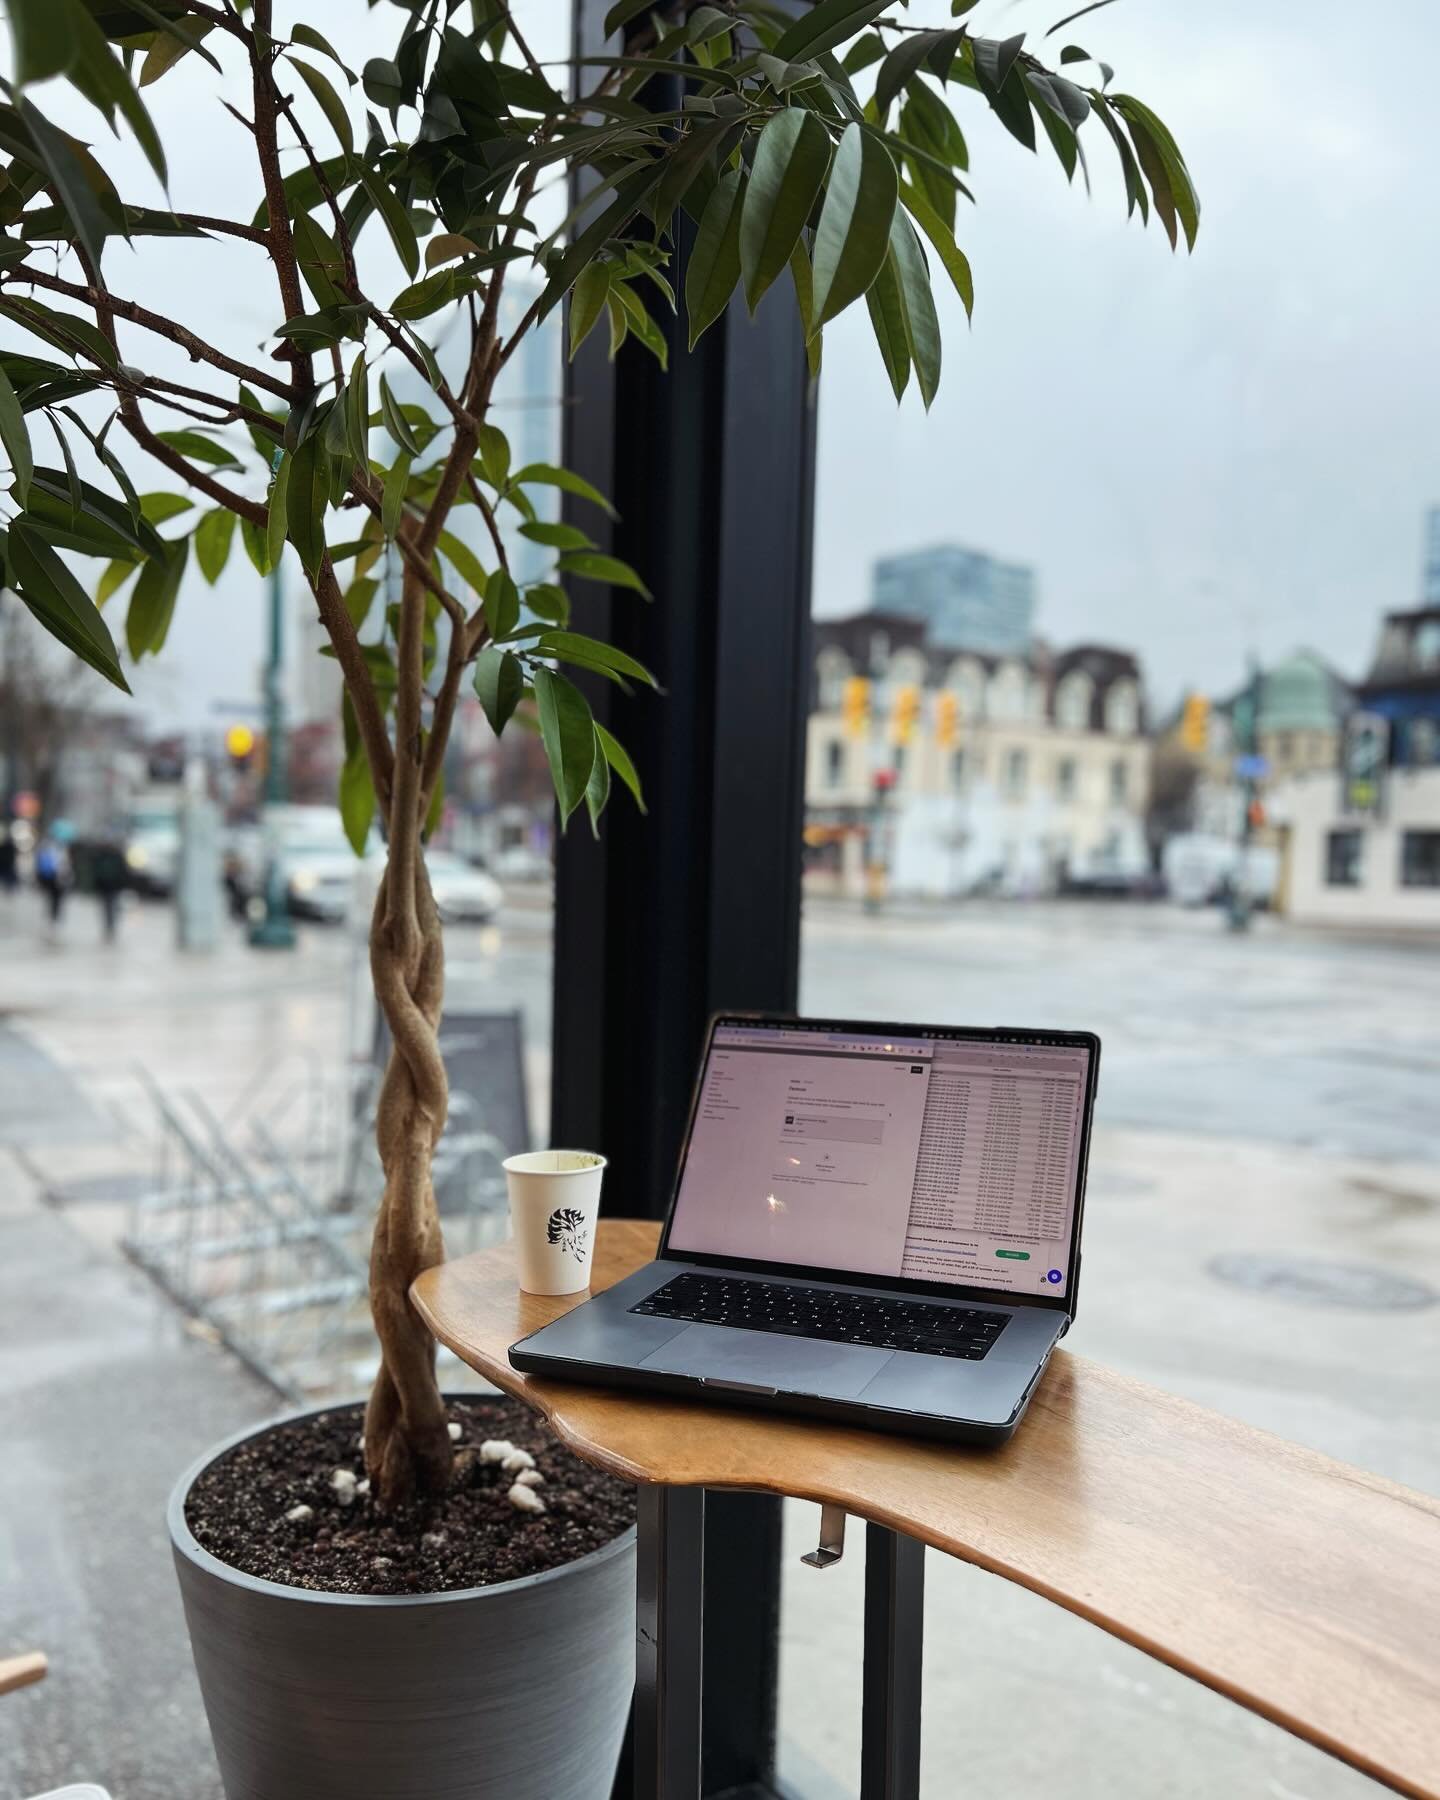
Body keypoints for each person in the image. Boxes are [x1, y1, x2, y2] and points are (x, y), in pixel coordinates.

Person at [92, 837, 127, 943]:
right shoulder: (100, 856)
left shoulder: (116, 856)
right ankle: (109, 928)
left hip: (114, 886)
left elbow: (123, 871)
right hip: (105, 886)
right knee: (107, 908)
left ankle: (111, 928)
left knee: (112, 907)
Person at [34, 834, 70, 930]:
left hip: (52, 879)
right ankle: (53, 916)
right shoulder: (60, 851)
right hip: (55, 879)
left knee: (52, 899)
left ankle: (52, 916)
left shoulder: (45, 850)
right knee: (55, 899)